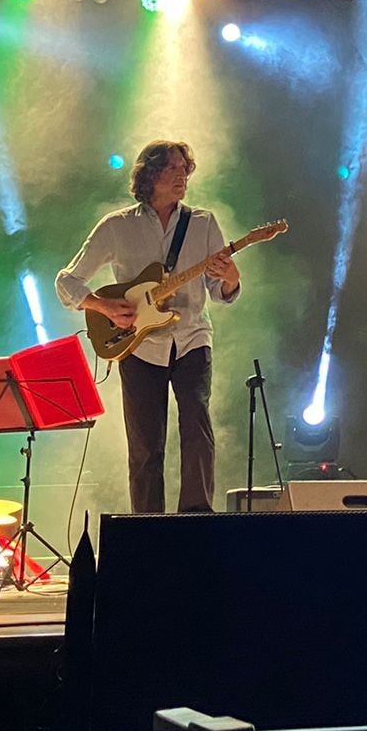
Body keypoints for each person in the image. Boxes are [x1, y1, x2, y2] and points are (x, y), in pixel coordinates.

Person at [55, 140, 241, 513]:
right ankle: (147, 527)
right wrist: (103, 306)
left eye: (184, 168)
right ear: (150, 174)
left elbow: (219, 291)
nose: (181, 175)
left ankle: (197, 520)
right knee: (144, 445)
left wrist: (231, 278)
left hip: (192, 339)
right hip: (138, 344)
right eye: (172, 168)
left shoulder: (203, 222)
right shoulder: (117, 226)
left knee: (197, 429)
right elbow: (67, 281)